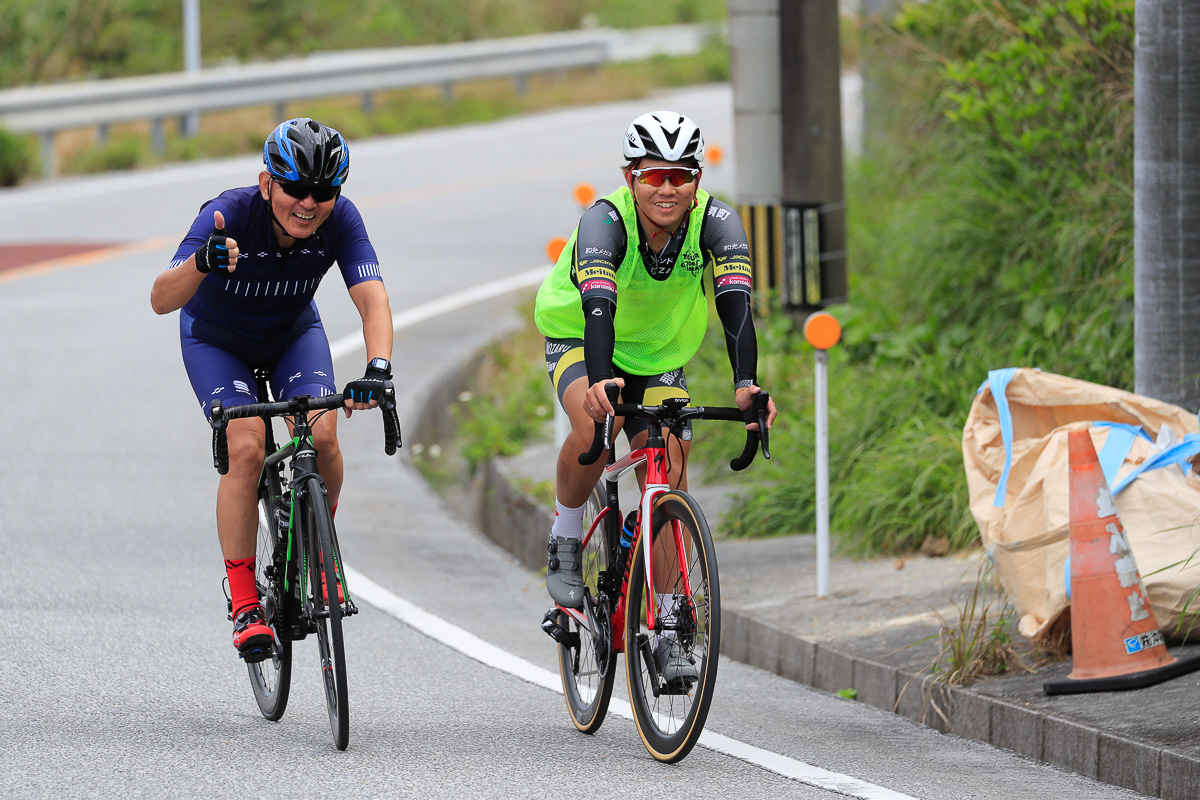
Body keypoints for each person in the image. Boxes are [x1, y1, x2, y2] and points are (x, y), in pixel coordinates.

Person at [534, 110, 778, 684]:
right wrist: (598, 382)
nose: (666, 188)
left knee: (667, 475)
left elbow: (736, 308)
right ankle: (566, 536)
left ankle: (668, 622)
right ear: (630, 176)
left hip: (657, 354)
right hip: (581, 333)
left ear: (696, 179)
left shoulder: (718, 223)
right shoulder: (604, 222)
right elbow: (598, 307)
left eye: (678, 176)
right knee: (593, 431)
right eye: (652, 176)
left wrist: (746, 385)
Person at [150, 118, 394, 662]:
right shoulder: (231, 213)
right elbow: (161, 299)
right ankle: (243, 602)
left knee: (324, 439)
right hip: (217, 341)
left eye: (324, 192)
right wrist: (201, 262)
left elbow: (372, 297)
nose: (309, 203)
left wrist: (378, 366)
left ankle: (313, 550)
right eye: (295, 189)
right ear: (267, 184)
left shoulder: (341, 221)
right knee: (247, 447)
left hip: (290, 336)